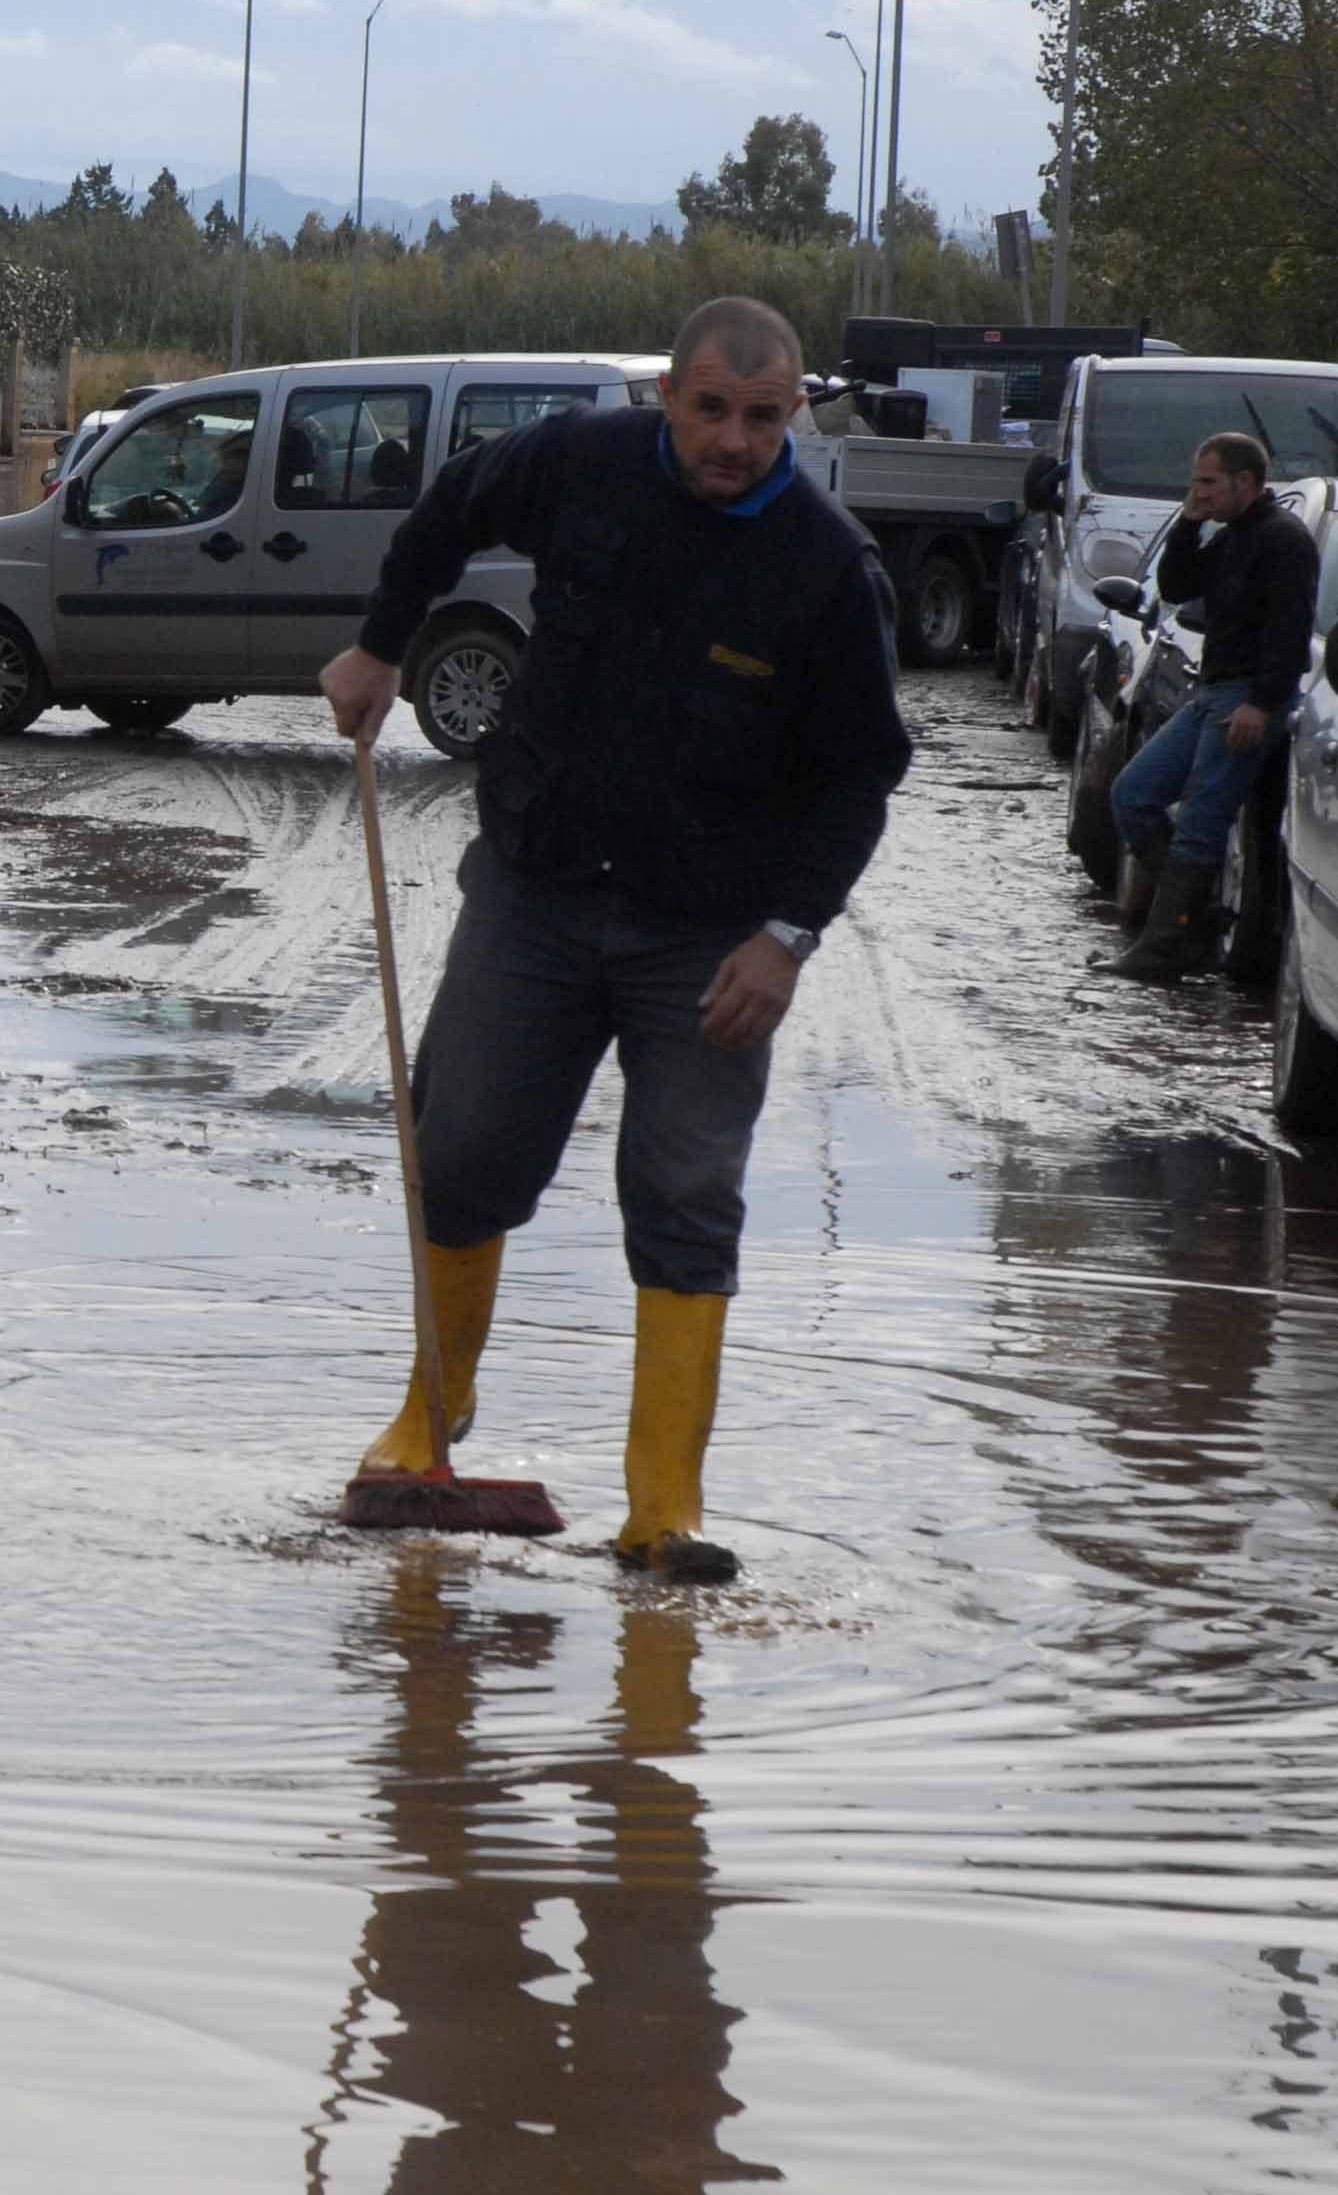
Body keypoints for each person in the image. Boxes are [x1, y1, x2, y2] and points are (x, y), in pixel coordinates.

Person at [317, 297, 913, 1581]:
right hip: (534, 888)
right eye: (709, 410)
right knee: (457, 1150)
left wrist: (784, 938)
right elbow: (448, 510)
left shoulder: (824, 568)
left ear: (794, 413)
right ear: (665, 397)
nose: (733, 441)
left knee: (685, 1190)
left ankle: (661, 1508)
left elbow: (860, 776)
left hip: (706, 936)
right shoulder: (575, 462)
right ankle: (429, 1416)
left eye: (762, 417)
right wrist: (378, 646)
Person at [1103, 430, 1316, 983]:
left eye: (1208, 482)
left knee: (1201, 821)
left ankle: (1165, 946)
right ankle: (1195, 923)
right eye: (1195, 482)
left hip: (1245, 698)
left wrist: (1261, 703)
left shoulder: (1283, 538)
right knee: (1133, 794)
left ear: (1245, 481)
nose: (1198, 492)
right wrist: (1189, 523)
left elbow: (1290, 630)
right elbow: (1177, 585)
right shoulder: (1231, 536)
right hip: (1211, 692)